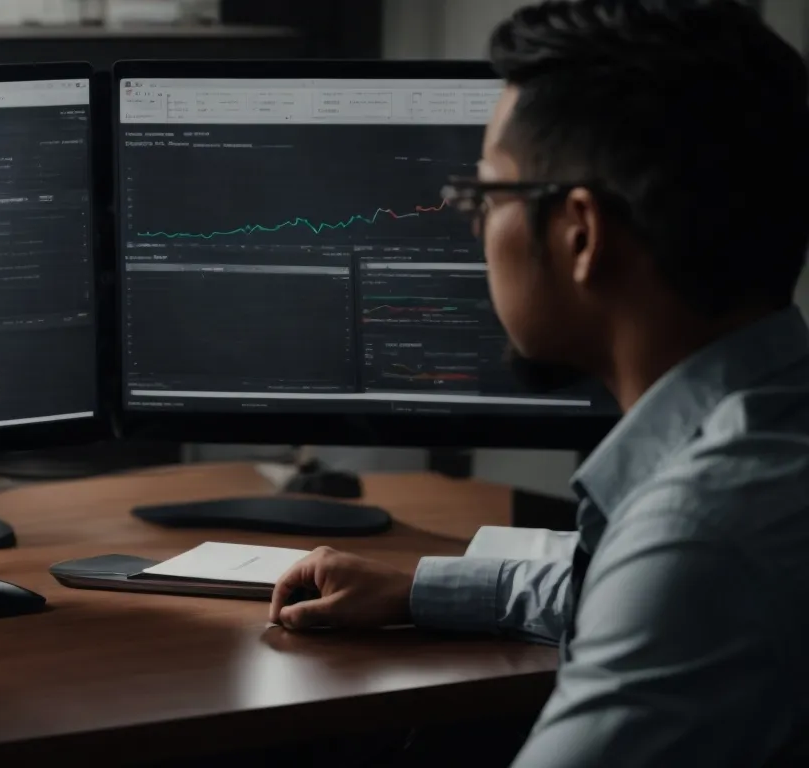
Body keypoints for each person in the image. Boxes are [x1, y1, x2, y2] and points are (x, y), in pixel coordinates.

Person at [265, 0, 809, 765]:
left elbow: (672, 573)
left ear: (580, 234)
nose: (476, 229)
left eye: (486, 198)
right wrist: (420, 589)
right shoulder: (770, 438)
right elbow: (615, 581)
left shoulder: (702, 539)